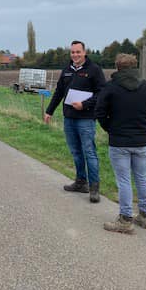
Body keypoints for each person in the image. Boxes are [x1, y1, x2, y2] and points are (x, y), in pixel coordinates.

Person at [95, 53, 146, 234]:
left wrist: (110, 128)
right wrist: (144, 124)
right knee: (142, 178)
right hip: (142, 141)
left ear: (117, 67)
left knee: (124, 180)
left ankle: (125, 220)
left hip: (119, 142)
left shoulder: (110, 87)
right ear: (134, 67)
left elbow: (100, 112)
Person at [44, 40, 106, 203]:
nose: (75, 55)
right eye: (72, 52)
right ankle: (81, 182)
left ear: (85, 52)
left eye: (78, 52)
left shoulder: (94, 70)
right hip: (69, 118)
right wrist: (49, 111)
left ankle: (94, 188)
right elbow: (58, 92)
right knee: (76, 152)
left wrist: (84, 105)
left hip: (86, 119)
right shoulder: (66, 70)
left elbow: (102, 94)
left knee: (89, 152)